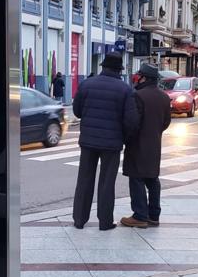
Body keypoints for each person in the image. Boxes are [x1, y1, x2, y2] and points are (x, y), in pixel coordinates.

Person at [72, 52, 140, 230]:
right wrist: (123, 137)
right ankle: (104, 221)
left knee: (84, 180)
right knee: (107, 183)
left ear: (103, 67)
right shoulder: (125, 89)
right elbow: (131, 121)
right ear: (119, 69)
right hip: (112, 144)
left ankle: (79, 219)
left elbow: (77, 111)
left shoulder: (86, 84)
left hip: (88, 141)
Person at [120, 63, 171, 228]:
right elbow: (166, 122)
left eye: (138, 75)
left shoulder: (138, 96)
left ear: (144, 78)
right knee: (152, 179)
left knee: (136, 179)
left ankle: (140, 215)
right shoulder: (164, 96)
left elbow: (132, 122)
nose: (136, 77)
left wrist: (127, 138)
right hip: (154, 144)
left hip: (137, 144)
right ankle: (154, 215)